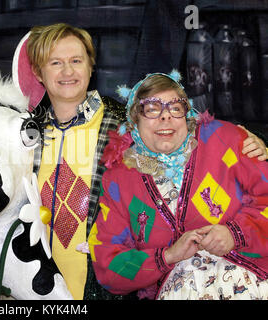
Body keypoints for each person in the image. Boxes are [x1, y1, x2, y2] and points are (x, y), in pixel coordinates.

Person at [13, 23, 268, 300]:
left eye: (76, 60)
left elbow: (190, 135)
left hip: (98, 291)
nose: (68, 71)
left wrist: (253, 140)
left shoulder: (122, 126)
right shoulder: (21, 134)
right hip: (35, 285)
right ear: (38, 72)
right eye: (55, 62)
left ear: (91, 66)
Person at [89, 71, 268, 299]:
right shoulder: (119, 180)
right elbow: (107, 264)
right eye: (152, 109)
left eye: (175, 107)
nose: (166, 118)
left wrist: (235, 234)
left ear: (187, 113)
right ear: (134, 120)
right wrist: (168, 256)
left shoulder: (226, 140)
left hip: (251, 282)